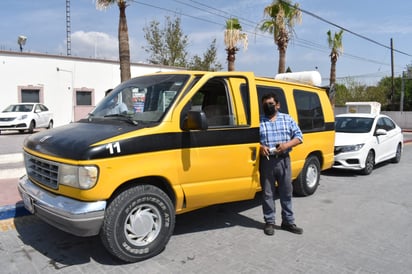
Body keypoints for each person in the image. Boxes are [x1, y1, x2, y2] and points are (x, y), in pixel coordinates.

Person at [259, 92, 303, 236]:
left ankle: (288, 222)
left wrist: (286, 145)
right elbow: (250, 141)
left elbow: (299, 137)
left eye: (271, 104)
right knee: (267, 193)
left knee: (286, 192)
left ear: (278, 105)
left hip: (284, 159)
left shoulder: (287, 119)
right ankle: (269, 222)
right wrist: (260, 146)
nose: (268, 106)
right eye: (265, 104)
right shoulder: (259, 121)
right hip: (267, 161)